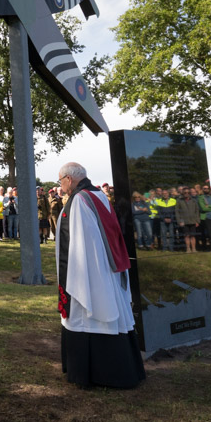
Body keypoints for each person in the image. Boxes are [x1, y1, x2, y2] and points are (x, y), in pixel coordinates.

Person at [55, 162, 144, 389]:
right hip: (106, 266)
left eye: (60, 181)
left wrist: (79, 275)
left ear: (69, 178)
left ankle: (94, 373)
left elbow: (81, 242)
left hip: (90, 271)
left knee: (89, 314)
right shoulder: (97, 195)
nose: (61, 186)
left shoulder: (80, 200)